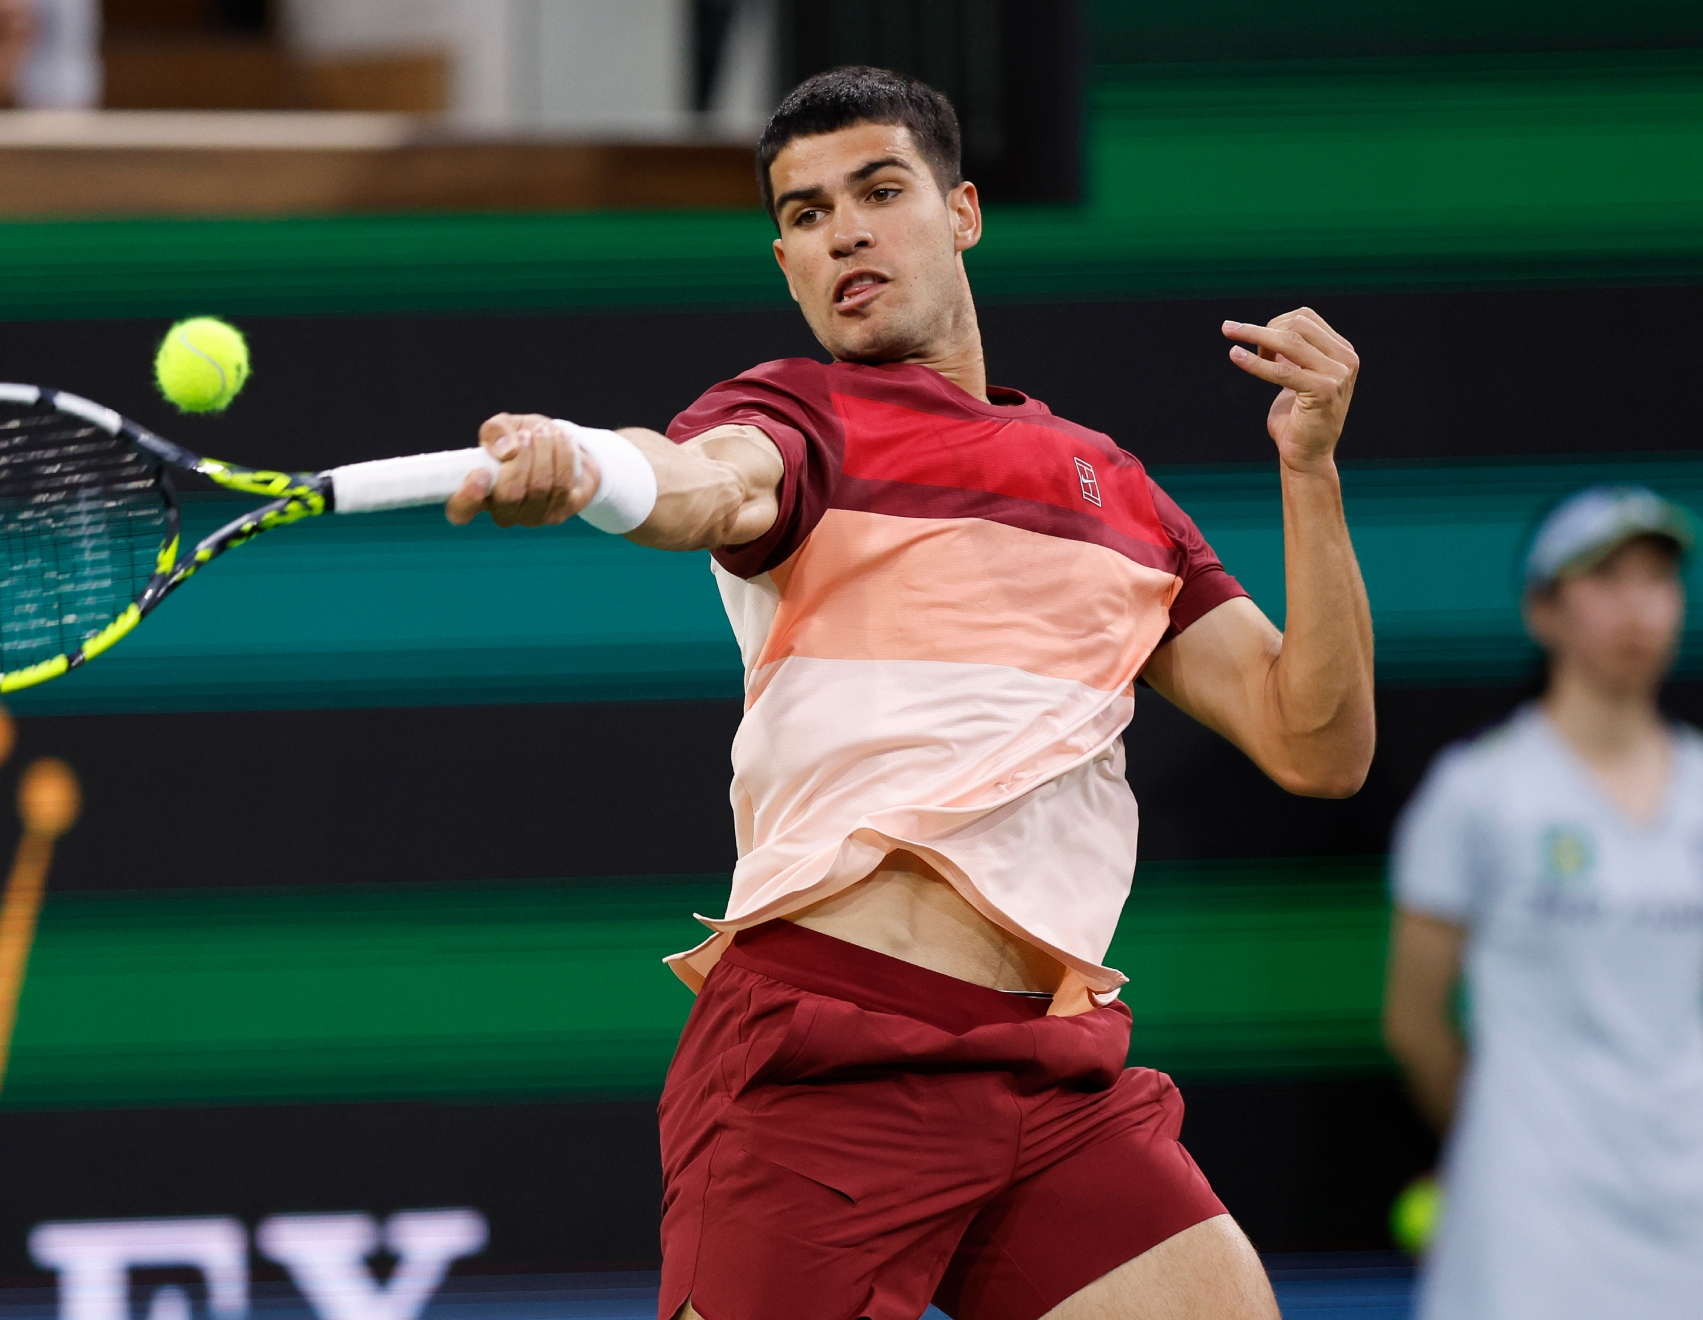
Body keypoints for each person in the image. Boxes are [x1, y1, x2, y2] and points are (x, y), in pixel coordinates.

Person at [445, 68, 1374, 1320]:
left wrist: (1309, 474)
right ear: (785, 259)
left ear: (964, 213)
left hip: (1047, 1076)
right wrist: (594, 474)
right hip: (828, 1061)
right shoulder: (797, 416)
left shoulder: (1117, 491)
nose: (847, 232)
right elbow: (703, 483)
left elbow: (1314, 741)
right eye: (809, 213)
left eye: (880, 192)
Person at [1383, 485, 1703, 1320]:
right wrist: (1511, 1133)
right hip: (1526, 1225)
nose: (1637, 607)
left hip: (1687, 1216)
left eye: (1657, 579)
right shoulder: (1478, 792)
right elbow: (1413, 1022)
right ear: (1543, 610)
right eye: (1605, 579)